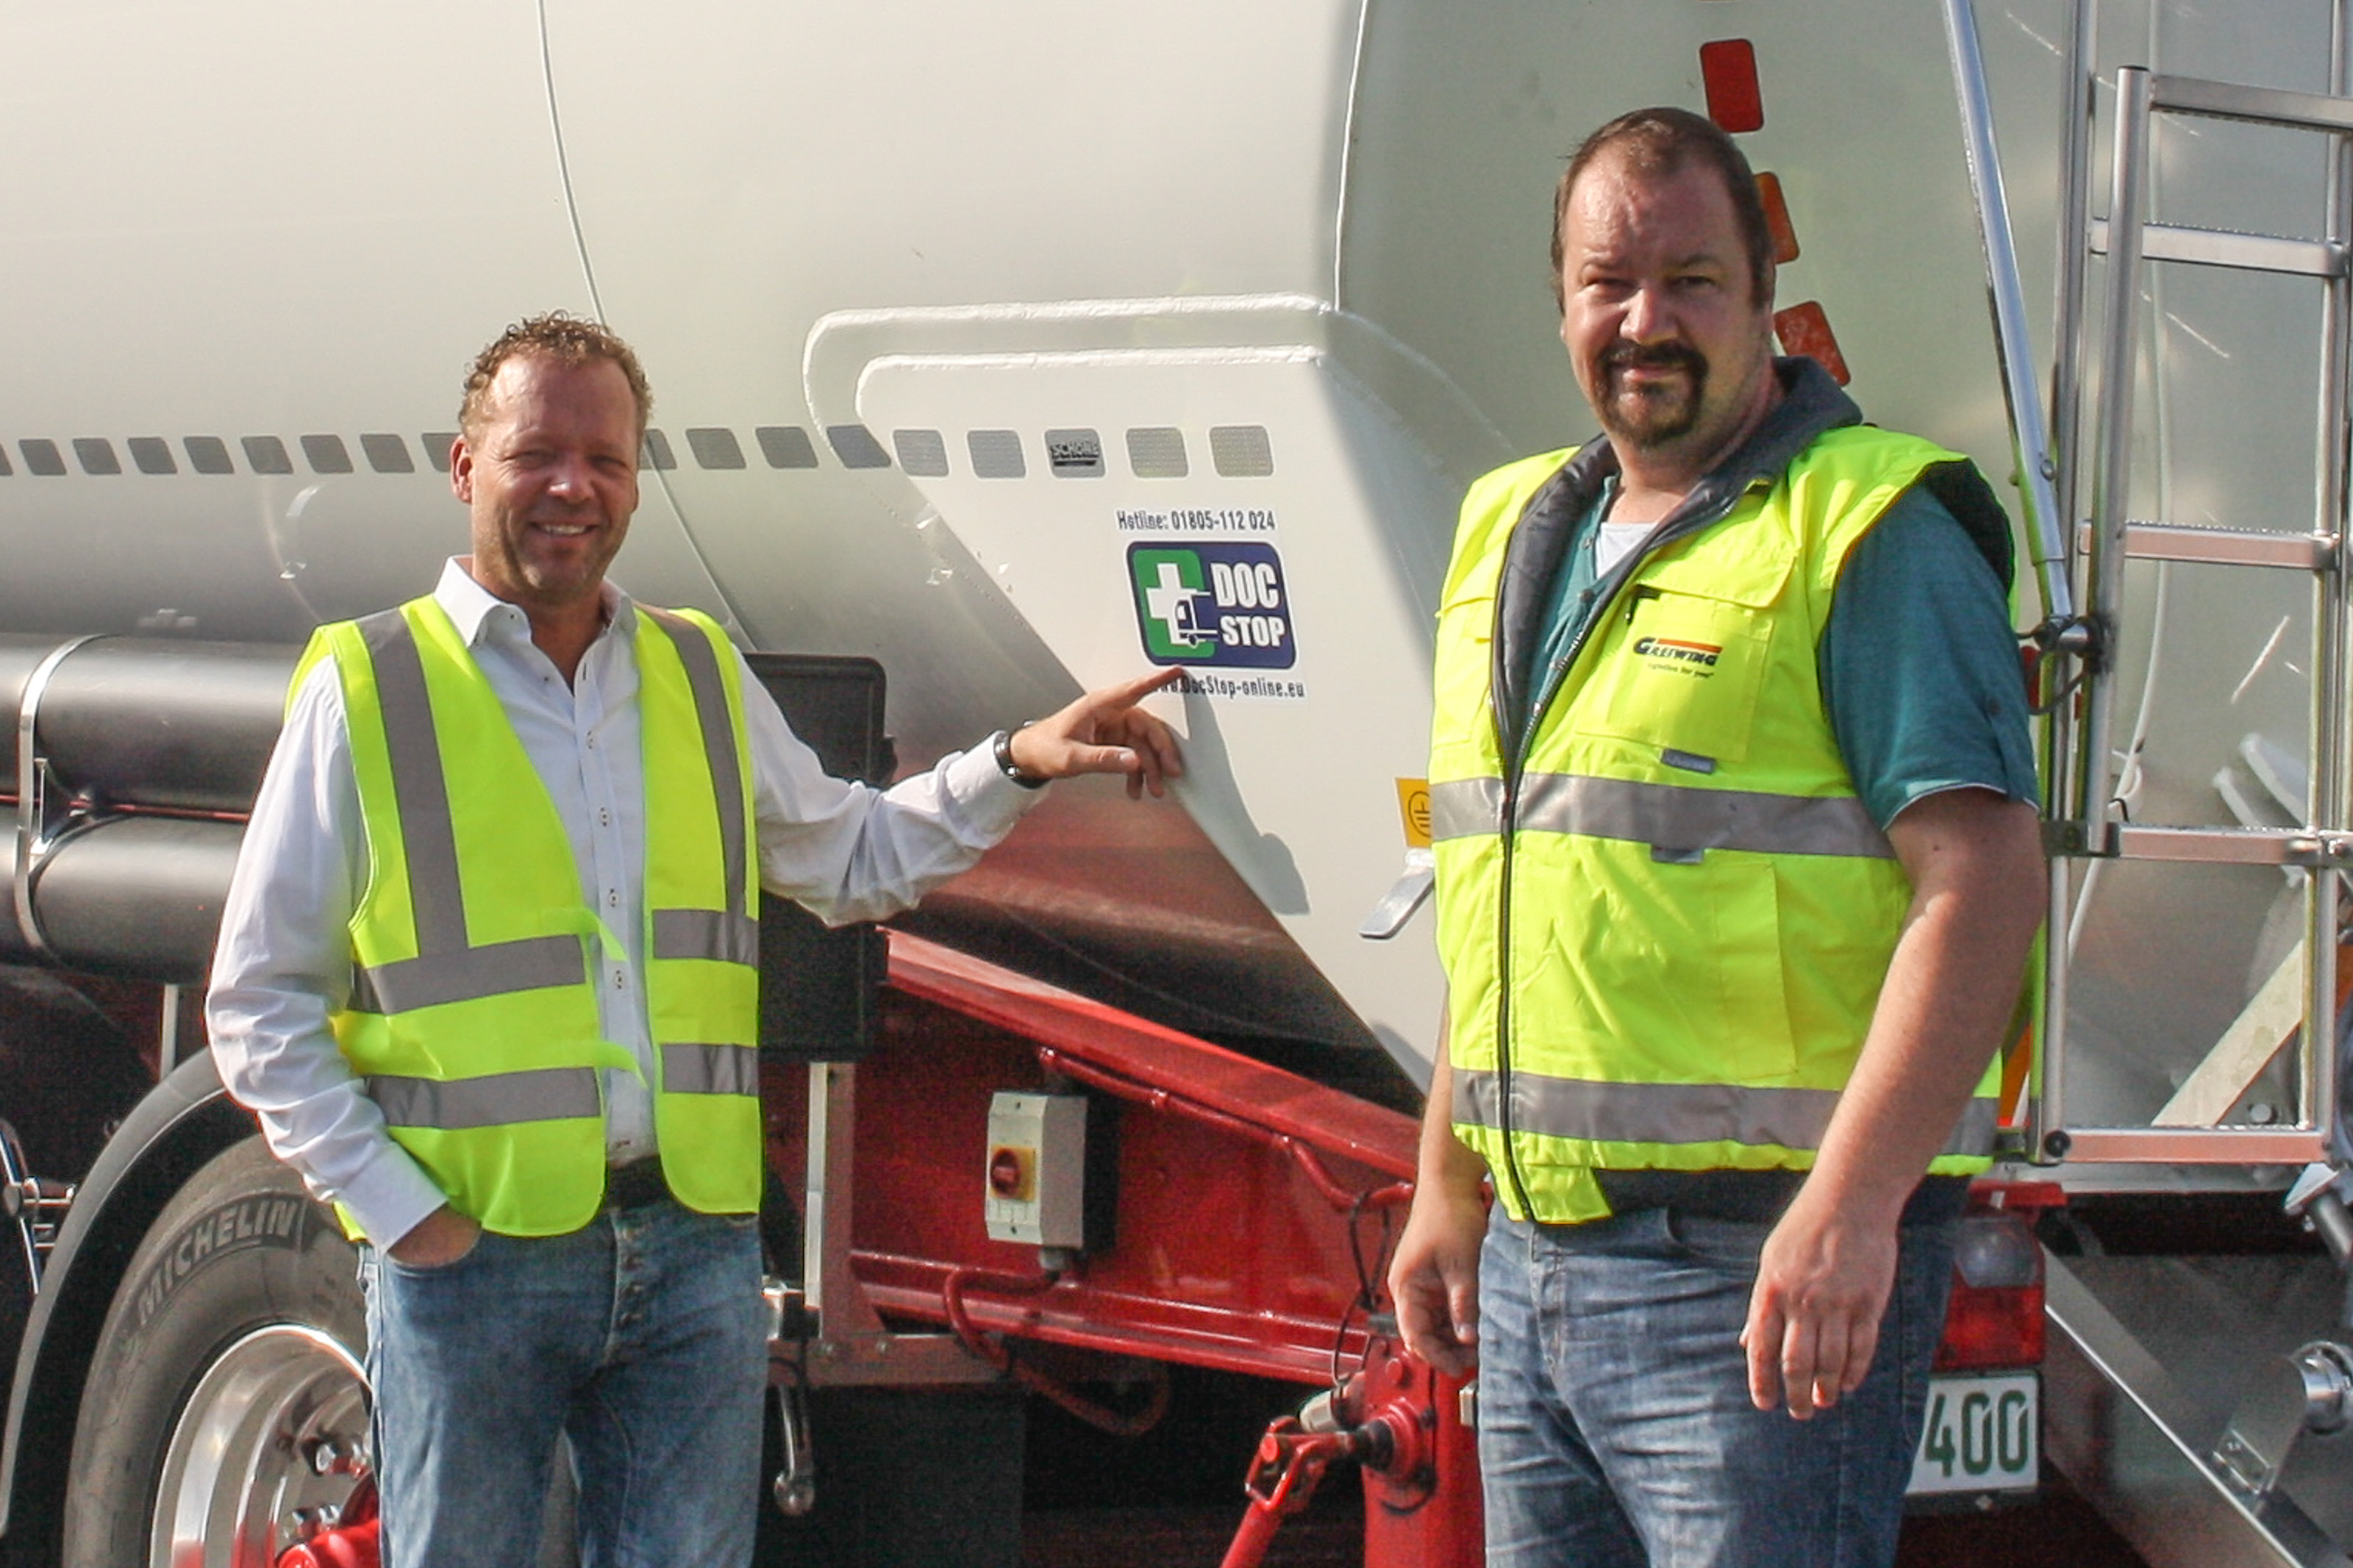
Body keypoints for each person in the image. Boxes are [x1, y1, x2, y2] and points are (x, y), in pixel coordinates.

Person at [206, 312, 1183, 1568]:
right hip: (476, 1265)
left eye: (606, 461)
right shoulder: (370, 686)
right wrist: (404, 1216)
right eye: (536, 454)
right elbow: (259, 1003)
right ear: (465, 467)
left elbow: (853, 858)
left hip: (690, 1252)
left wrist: (1018, 760)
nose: (573, 487)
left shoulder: (697, 671)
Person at [1385, 107, 2046, 1568]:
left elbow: (1986, 880)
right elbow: (1515, 898)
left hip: (1757, 1282)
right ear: (1560, 298)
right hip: (1537, 1275)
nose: (1646, 322)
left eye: (1690, 281)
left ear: (1763, 294)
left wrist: (1853, 1206)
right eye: (1607, 283)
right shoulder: (1513, 530)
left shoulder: (1864, 529)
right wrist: (1448, 1181)